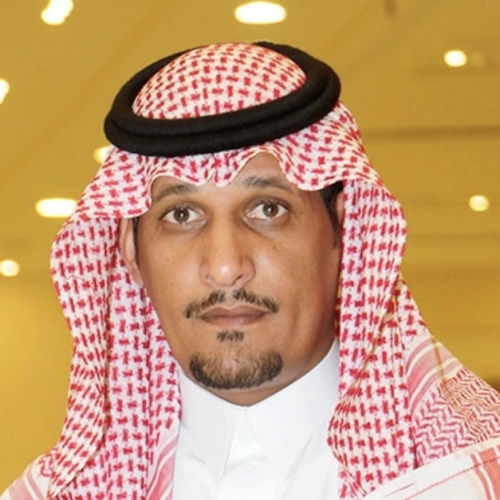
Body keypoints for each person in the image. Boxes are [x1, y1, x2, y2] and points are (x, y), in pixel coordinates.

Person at [2, 41, 500, 500]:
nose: (225, 267)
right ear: (132, 251)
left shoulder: (470, 480)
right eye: (181, 215)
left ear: (344, 228)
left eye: (267, 209)